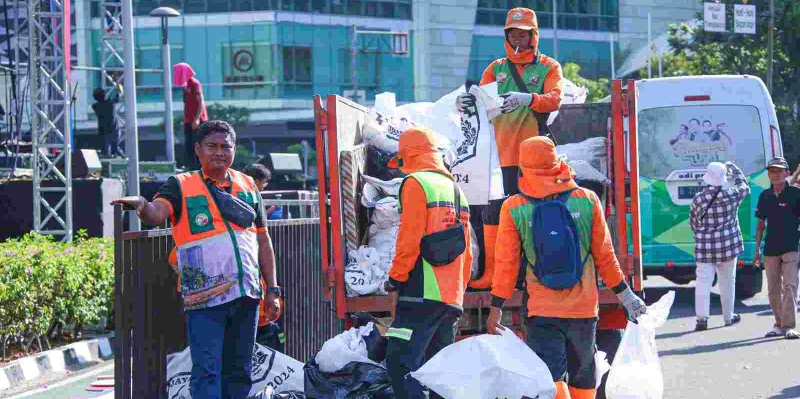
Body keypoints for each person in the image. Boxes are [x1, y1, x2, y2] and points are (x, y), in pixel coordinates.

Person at [111, 120, 282, 398]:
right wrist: (142, 206)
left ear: (234, 150)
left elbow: (263, 239)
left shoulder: (248, 184)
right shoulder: (180, 184)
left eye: (225, 146)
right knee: (207, 370)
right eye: (211, 146)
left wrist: (272, 289)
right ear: (198, 149)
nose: (219, 152)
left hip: (247, 294)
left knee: (240, 370)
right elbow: (157, 213)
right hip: (204, 297)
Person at [486, 136, 647, 399]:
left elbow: (506, 264)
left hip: (541, 310)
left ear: (523, 165)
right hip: (583, 309)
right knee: (583, 374)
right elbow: (605, 257)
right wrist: (626, 296)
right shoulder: (587, 199)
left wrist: (496, 307)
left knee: (550, 377)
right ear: (556, 160)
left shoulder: (514, 207)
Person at [456, 7, 564, 290]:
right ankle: (497, 275)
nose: (518, 38)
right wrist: (468, 103)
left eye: (524, 33)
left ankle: (535, 275)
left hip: (535, 158)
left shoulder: (549, 66)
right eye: (513, 33)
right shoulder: (495, 68)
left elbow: (554, 100)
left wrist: (527, 98)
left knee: (535, 214)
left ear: (534, 36)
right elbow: (480, 101)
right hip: (497, 158)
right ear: (506, 35)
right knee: (497, 215)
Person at [383, 127, 473, 399]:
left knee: (401, 364)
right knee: (438, 375)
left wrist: (396, 279)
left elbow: (409, 239)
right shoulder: (457, 191)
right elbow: (468, 251)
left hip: (421, 292)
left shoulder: (415, 183)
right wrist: (458, 290)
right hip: (451, 297)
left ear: (408, 156)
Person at [689, 161, 749, 331]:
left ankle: (702, 319)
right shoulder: (732, 195)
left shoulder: (698, 198)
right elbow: (745, 186)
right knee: (728, 282)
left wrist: (701, 236)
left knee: (702, 282)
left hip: (705, 247)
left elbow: (693, 222)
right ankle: (728, 317)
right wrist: (733, 167)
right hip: (728, 245)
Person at [754, 157, 800, 340]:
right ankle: (779, 324)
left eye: (779, 171)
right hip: (770, 248)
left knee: (789, 286)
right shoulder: (764, 195)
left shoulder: (796, 194)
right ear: (768, 174)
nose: (775, 174)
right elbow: (760, 225)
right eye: (772, 171)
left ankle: (789, 326)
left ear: (786, 173)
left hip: (791, 247)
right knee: (773, 290)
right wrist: (756, 249)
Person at [242, 163, 285, 352]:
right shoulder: (248, 200)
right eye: (263, 183)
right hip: (255, 301)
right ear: (257, 180)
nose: (263, 188)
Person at [174, 62, 209, 170]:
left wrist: (197, 119)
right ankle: (189, 166)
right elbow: (187, 105)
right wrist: (185, 120)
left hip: (198, 120)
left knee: (197, 143)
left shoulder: (195, 84)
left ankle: (199, 167)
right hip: (189, 120)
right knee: (188, 144)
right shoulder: (185, 86)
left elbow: (200, 102)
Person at [92, 75, 124, 157]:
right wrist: (117, 82)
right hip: (114, 130)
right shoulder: (110, 103)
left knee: (106, 154)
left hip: (103, 133)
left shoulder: (95, 106)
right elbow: (120, 92)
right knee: (115, 150)